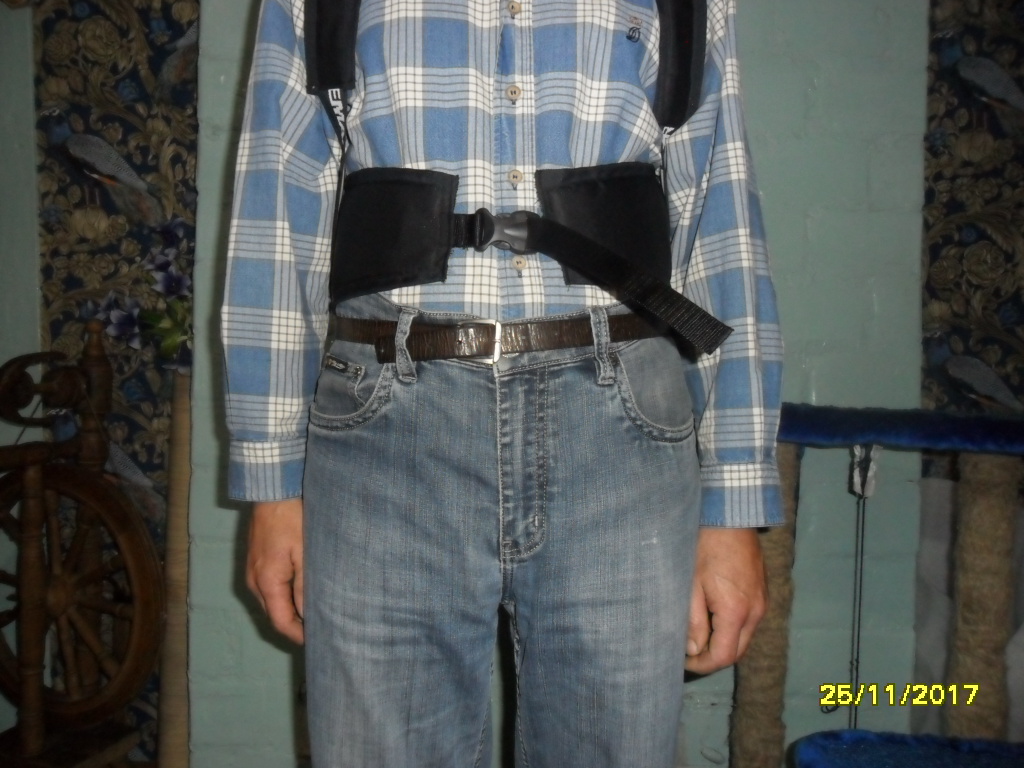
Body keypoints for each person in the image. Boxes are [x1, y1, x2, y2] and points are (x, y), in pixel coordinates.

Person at [222, 0, 783, 766]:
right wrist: (272, 484)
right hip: (387, 432)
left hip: (621, 438)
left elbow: (720, 218)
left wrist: (733, 506)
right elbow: (276, 207)